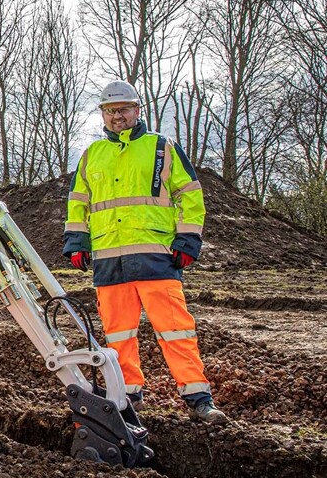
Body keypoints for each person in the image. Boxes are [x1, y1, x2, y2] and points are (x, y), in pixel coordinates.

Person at [63, 80, 227, 425]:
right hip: (109, 260)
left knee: (175, 329)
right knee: (118, 335)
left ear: (137, 111)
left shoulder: (162, 148)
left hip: (156, 257)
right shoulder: (93, 155)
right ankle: (128, 396)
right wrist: (77, 241)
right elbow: (78, 202)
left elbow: (191, 196)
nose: (117, 116)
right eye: (110, 111)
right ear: (103, 116)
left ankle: (198, 396)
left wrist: (187, 240)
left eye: (123, 109)